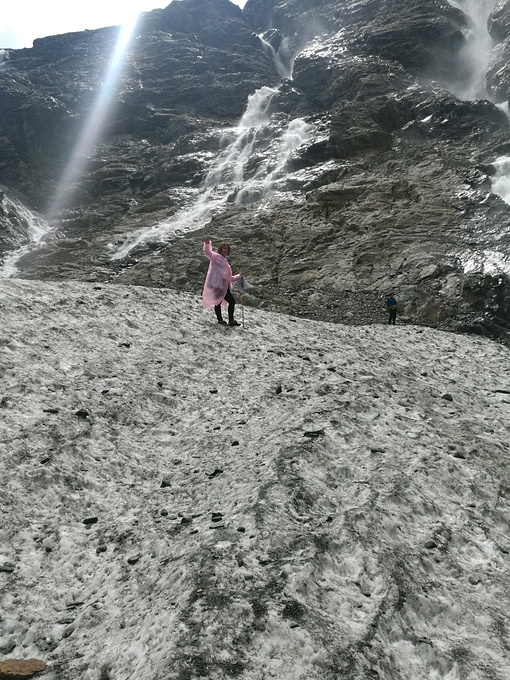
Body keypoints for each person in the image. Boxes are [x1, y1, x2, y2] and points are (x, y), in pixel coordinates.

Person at [202, 238, 242, 326]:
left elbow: (229, 278)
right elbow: (208, 253)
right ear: (221, 249)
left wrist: (239, 276)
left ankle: (229, 320)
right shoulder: (216, 257)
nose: (226, 250)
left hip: (224, 286)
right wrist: (207, 245)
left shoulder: (226, 263)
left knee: (230, 301)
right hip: (217, 284)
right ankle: (221, 320)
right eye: (224, 248)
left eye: (227, 249)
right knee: (218, 302)